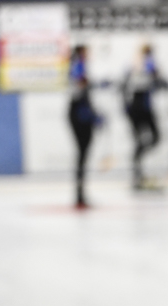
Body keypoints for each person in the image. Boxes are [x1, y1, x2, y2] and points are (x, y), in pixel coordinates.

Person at [121, 44, 168, 190]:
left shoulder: (143, 63)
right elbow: (126, 84)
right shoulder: (141, 63)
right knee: (141, 140)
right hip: (138, 106)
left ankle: (138, 166)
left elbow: (157, 80)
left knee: (153, 139)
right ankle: (137, 174)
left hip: (143, 107)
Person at [68, 45, 102, 209]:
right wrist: (92, 115)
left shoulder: (78, 66)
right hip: (79, 115)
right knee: (82, 153)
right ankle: (79, 195)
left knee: (83, 154)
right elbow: (79, 90)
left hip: (80, 113)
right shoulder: (78, 65)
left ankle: (80, 194)